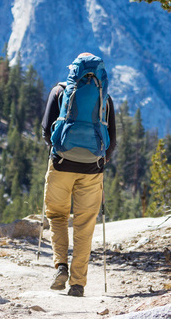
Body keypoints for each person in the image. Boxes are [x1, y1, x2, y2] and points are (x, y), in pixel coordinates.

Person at [41, 52, 116, 297]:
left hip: (61, 164)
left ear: (74, 71)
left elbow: (45, 131)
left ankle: (60, 265)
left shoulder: (59, 92)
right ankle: (77, 284)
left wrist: (56, 152)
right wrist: (100, 161)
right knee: (84, 225)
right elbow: (111, 141)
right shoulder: (105, 99)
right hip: (92, 168)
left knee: (57, 216)